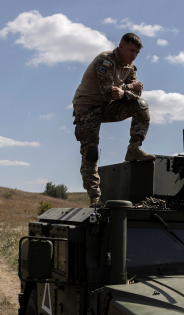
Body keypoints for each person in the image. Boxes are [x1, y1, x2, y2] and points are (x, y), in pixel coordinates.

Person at [72, 32, 155, 207]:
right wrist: (128, 88)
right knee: (91, 152)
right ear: (121, 47)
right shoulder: (106, 60)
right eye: (131, 51)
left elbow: (134, 94)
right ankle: (95, 198)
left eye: (136, 53)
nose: (133, 56)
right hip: (87, 108)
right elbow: (106, 91)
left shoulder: (130, 68)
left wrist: (125, 91)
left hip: (108, 107)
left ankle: (134, 148)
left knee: (141, 105)